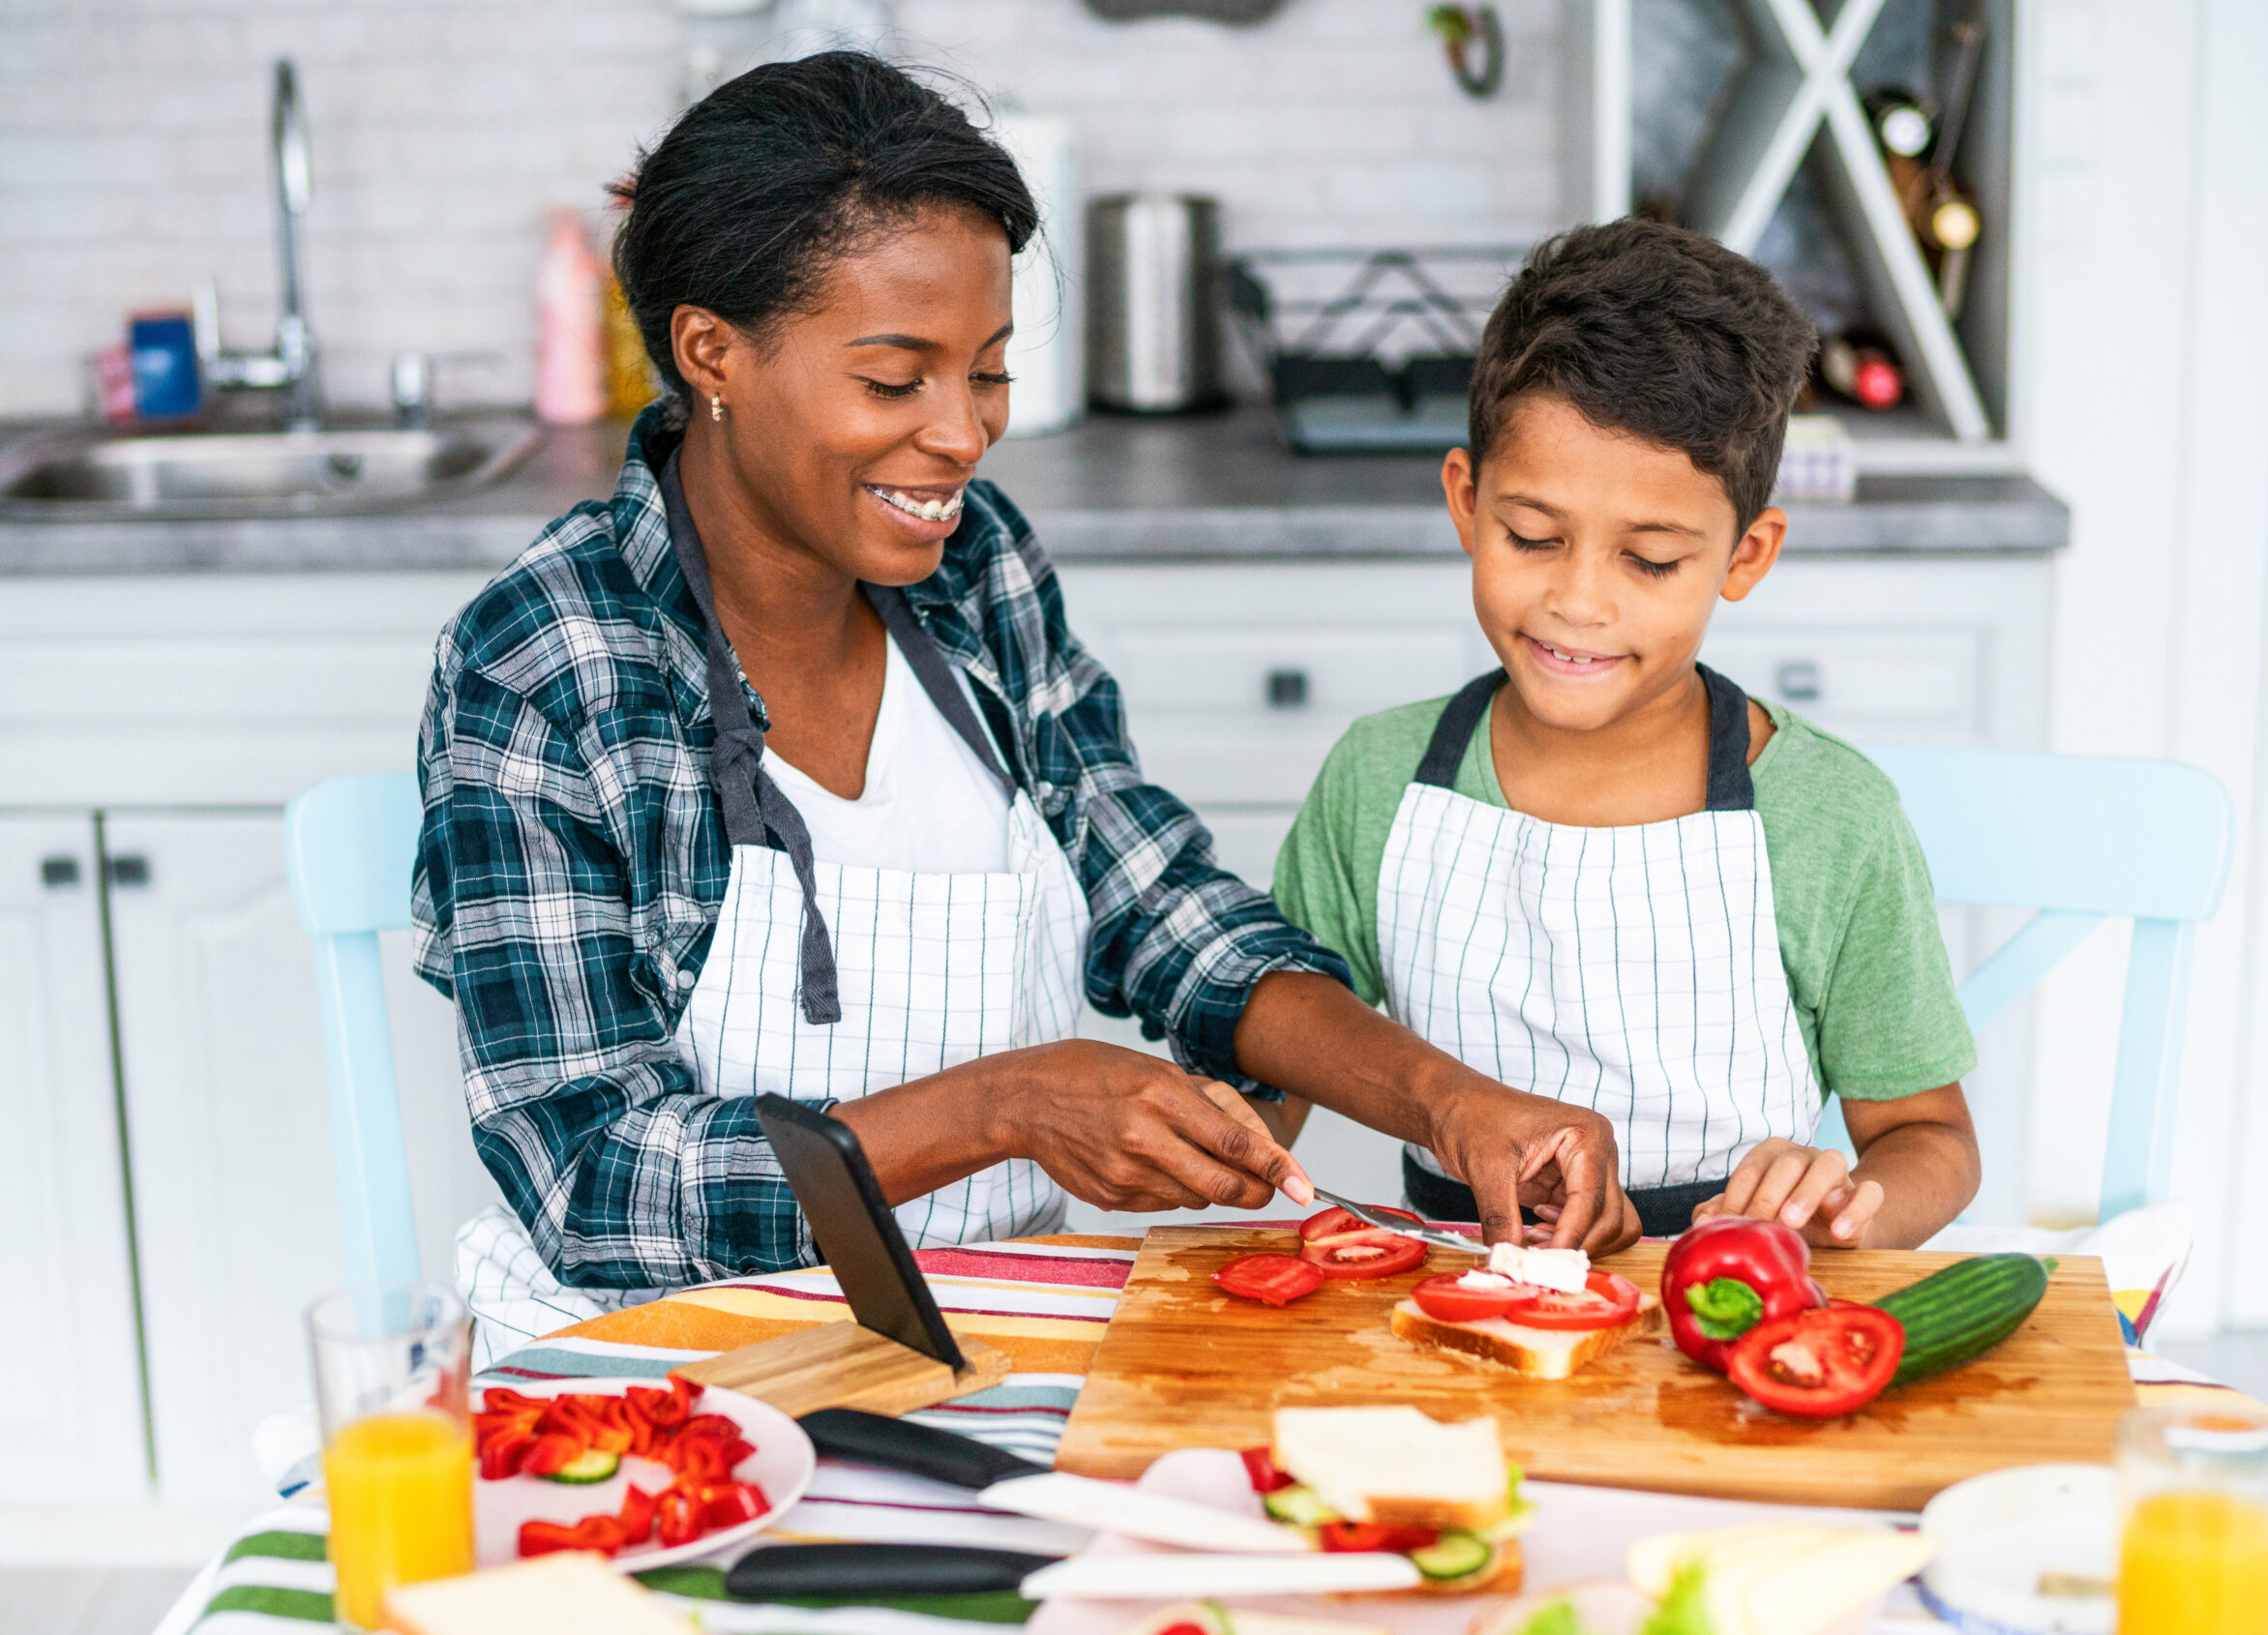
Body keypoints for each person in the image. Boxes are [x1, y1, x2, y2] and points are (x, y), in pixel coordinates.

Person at [413, 53, 1637, 1362]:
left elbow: (1158, 902)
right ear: (711, 350)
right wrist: (1007, 1104)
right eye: (894, 381)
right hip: (661, 1364)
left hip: (990, 1332)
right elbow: (594, 1176)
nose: (961, 435)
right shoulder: (542, 664)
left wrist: (1452, 1106)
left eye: (986, 371)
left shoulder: (975, 565)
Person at [1273, 221, 1983, 1248]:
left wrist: (1842, 1207)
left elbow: (1930, 1136)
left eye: (1649, 560)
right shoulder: (1379, 779)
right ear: (1466, 503)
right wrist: (1218, 1117)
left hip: (1725, 1306)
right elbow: (1282, 1041)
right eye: (1532, 537)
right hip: (1449, 1303)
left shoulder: (1831, 817)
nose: (1578, 602)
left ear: (1744, 555)